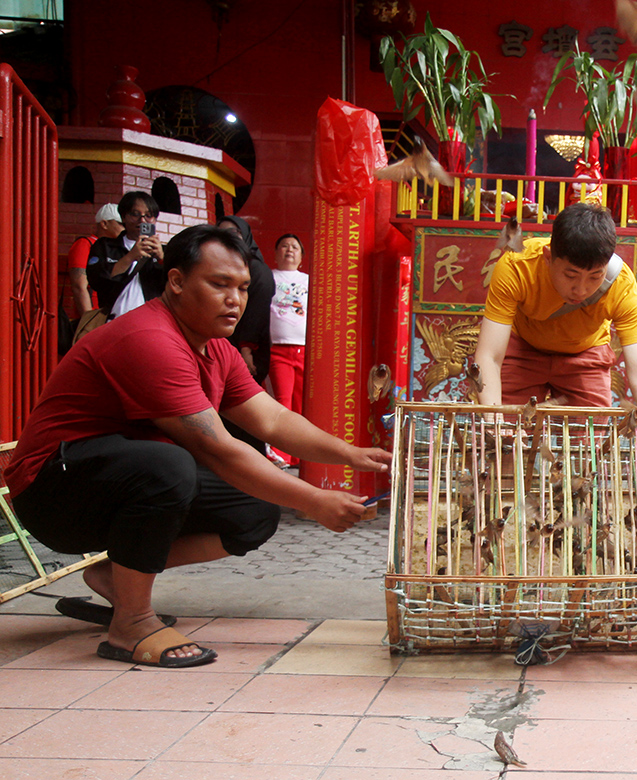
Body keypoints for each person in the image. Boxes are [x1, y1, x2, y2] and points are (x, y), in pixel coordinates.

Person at [4, 225, 390, 669]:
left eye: (243, 287)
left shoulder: (215, 349)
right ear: (176, 281)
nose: (235, 299)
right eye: (219, 284)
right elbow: (218, 450)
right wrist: (316, 501)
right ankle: (131, 623)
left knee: (255, 510)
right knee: (170, 465)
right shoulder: (151, 339)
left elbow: (273, 418)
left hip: (113, 480)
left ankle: (115, 577)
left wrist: (351, 454)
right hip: (52, 491)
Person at [473, 202, 637, 408]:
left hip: (586, 354)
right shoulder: (517, 266)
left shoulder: (622, 286)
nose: (581, 290)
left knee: (589, 436)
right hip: (523, 348)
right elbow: (490, 356)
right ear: (548, 257)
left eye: (595, 277)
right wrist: (494, 426)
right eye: (571, 275)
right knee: (510, 430)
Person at [217, 216, 275, 456]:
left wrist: (246, 349)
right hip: (224, 346)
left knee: (243, 409)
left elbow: (257, 313)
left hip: (245, 351)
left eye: (233, 232)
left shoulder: (257, 270)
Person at [85, 191, 166, 320]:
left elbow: (179, 285)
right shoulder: (105, 246)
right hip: (114, 321)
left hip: (152, 323)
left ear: (155, 220)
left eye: (149, 216)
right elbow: (96, 280)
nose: (142, 220)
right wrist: (130, 256)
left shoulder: (165, 252)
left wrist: (162, 258)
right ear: (123, 217)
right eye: (135, 214)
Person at [267, 233, 309, 467]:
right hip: (279, 348)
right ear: (275, 253)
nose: (289, 250)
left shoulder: (309, 280)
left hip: (304, 348)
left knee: (302, 403)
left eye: (294, 247)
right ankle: (281, 453)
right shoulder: (268, 278)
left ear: (301, 257)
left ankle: (301, 454)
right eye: (284, 246)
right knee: (283, 400)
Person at [67, 203, 123, 319]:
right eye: (121, 224)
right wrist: (89, 321)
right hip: (95, 316)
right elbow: (79, 286)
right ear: (104, 224)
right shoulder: (85, 244)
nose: (125, 228)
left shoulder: (120, 249)